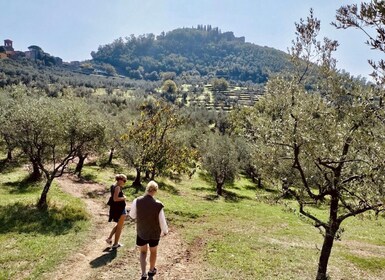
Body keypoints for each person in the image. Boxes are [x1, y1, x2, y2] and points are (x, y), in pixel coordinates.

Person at [129, 180, 168, 280]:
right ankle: (151, 270)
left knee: (143, 252)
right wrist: (165, 231)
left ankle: (143, 274)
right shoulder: (159, 204)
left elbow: (132, 216)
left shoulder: (137, 201)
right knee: (153, 252)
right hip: (154, 233)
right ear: (156, 191)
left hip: (142, 231)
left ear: (147, 189)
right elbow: (162, 221)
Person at [106, 174, 127, 249]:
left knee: (119, 225)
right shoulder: (118, 187)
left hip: (118, 208)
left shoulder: (113, 185)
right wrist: (123, 198)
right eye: (124, 180)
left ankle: (109, 238)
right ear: (120, 180)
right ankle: (115, 244)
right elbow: (115, 199)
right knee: (120, 227)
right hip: (120, 209)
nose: (125, 182)